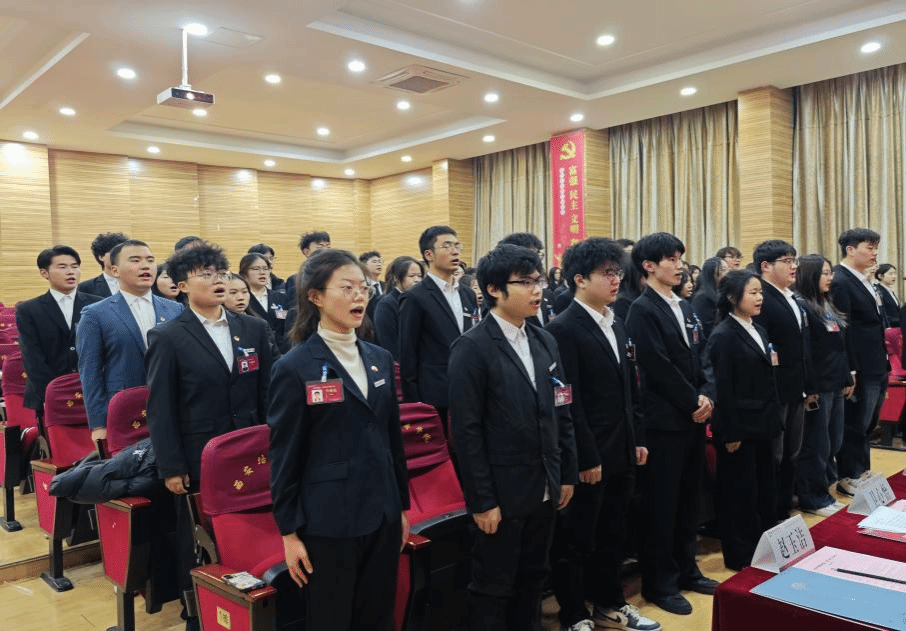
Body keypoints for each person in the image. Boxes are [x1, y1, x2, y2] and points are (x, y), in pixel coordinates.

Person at [268, 249, 409, 631]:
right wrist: (289, 532)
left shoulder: (379, 357)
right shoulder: (294, 367)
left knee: (378, 616)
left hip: (382, 511)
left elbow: (392, 439)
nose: (359, 296)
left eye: (363, 288)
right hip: (329, 520)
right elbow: (284, 454)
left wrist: (400, 506)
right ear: (315, 296)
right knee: (331, 619)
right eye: (346, 288)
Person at [448, 243, 577, 631]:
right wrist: (482, 500)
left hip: (545, 484)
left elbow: (561, 409)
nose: (537, 290)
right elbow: (466, 433)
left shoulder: (543, 340)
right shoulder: (471, 348)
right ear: (493, 289)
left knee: (534, 577)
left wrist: (565, 473)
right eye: (524, 282)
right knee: (493, 586)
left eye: (538, 281)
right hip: (502, 492)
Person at [146, 242, 273, 631]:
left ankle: (251, 603)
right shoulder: (167, 336)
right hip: (200, 454)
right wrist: (171, 465)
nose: (217, 280)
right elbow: (161, 407)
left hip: (251, 449)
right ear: (182, 285)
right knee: (198, 535)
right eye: (205, 274)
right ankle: (197, 611)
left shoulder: (253, 327)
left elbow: (267, 393)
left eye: (220, 272)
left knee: (251, 526)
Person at [546, 238, 659, 631]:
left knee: (614, 534)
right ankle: (573, 613)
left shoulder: (616, 320)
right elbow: (569, 401)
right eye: (607, 273)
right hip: (590, 455)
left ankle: (610, 604)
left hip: (622, 447)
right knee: (577, 540)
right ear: (580, 279)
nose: (616, 280)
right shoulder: (563, 328)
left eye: (618, 272)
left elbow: (631, 388)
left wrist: (637, 437)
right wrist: (586, 456)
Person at [624, 232, 716, 616]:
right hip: (664, 421)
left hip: (693, 417)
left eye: (680, 258)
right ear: (649, 265)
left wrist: (707, 393)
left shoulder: (686, 306)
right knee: (662, 505)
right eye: (671, 259)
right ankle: (660, 582)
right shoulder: (642, 310)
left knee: (690, 499)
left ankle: (687, 569)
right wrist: (692, 400)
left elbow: (703, 354)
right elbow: (656, 365)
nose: (680, 266)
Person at [705, 270, 782, 570]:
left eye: (760, 292)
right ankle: (740, 554)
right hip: (739, 428)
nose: (760, 297)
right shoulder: (724, 335)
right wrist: (731, 431)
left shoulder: (757, 329)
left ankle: (763, 549)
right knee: (739, 493)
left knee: (763, 489)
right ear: (732, 297)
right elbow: (722, 388)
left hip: (763, 424)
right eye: (753, 292)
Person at [76, 239, 183, 441]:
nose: (145, 266)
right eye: (135, 260)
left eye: (150, 260)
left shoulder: (175, 309)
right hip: (126, 413)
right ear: (115, 270)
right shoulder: (95, 314)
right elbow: (90, 372)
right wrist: (98, 424)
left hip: (173, 406)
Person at [752, 240, 812, 521]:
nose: (794, 267)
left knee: (792, 453)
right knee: (773, 456)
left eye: (794, 260)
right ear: (766, 266)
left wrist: (808, 385)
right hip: (774, 390)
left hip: (796, 387)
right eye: (787, 261)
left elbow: (802, 346)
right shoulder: (760, 297)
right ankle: (770, 511)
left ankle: (784, 506)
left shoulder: (792, 297)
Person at [399, 226, 478, 432]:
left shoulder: (468, 295)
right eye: (447, 246)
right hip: (435, 395)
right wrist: (415, 404)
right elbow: (408, 355)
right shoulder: (415, 297)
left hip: (470, 390)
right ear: (429, 255)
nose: (455, 251)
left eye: (457, 246)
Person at [831, 228, 887, 496]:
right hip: (860, 364)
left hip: (876, 361)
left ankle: (862, 469)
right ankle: (849, 473)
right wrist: (850, 368)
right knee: (856, 421)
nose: (875, 253)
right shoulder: (841, 280)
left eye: (876, 247)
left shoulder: (865, 279)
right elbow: (845, 329)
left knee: (869, 422)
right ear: (851, 250)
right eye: (870, 247)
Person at [794, 255, 851, 517]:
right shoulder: (803, 305)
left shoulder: (825, 303)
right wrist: (810, 387)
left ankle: (824, 490)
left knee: (833, 442)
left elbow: (839, 345)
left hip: (835, 382)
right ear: (810, 275)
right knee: (817, 445)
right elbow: (806, 352)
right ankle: (812, 497)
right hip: (819, 385)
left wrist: (847, 377)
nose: (830, 278)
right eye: (824, 273)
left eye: (830, 273)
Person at [16, 246, 102, 419]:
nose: (71, 272)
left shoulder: (98, 305)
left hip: (94, 393)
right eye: (62, 267)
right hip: (48, 393)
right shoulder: (29, 310)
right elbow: (33, 358)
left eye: (75, 266)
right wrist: (52, 393)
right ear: (44, 273)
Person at [372, 256, 423, 360]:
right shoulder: (386, 304)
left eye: (419, 276)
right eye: (411, 276)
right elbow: (388, 343)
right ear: (396, 278)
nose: (417, 280)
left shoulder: (419, 301)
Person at [498, 233, 553, 326]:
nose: (538, 260)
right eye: (535, 254)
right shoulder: (501, 299)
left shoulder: (539, 292)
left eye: (539, 254)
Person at [240, 252, 289, 351]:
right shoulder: (240, 299)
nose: (262, 272)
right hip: (254, 349)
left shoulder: (281, 297)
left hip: (282, 350)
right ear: (244, 273)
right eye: (256, 269)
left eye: (266, 269)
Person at [284, 231, 331, 305]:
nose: (326, 251)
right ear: (306, 252)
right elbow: (294, 307)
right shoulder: (295, 280)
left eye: (328, 247)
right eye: (320, 247)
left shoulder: (336, 276)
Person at [77, 232, 129, 298]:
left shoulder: (138, 283)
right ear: (101, 257)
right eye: (114, 253)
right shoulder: (84, 288)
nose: (119, 256)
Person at [691, 257, 729, 339]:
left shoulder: (719, 292)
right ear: (712, 272)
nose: (727, 273)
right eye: (723, 269)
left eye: (727, 269)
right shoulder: (702, 297)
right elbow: (705, 328)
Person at [874, 263, 900, 328]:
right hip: (888, 328)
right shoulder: (878, 291)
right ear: (880, 276)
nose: (894, 276)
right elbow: (882, 314)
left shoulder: (890, 290)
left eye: (895, 273)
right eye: (890, 274)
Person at [361, 250, 384, 321]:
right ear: (364, 265)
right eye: (374, 262)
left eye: (379, 262)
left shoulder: (386, 285)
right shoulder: (362, 287)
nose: (378, 264)